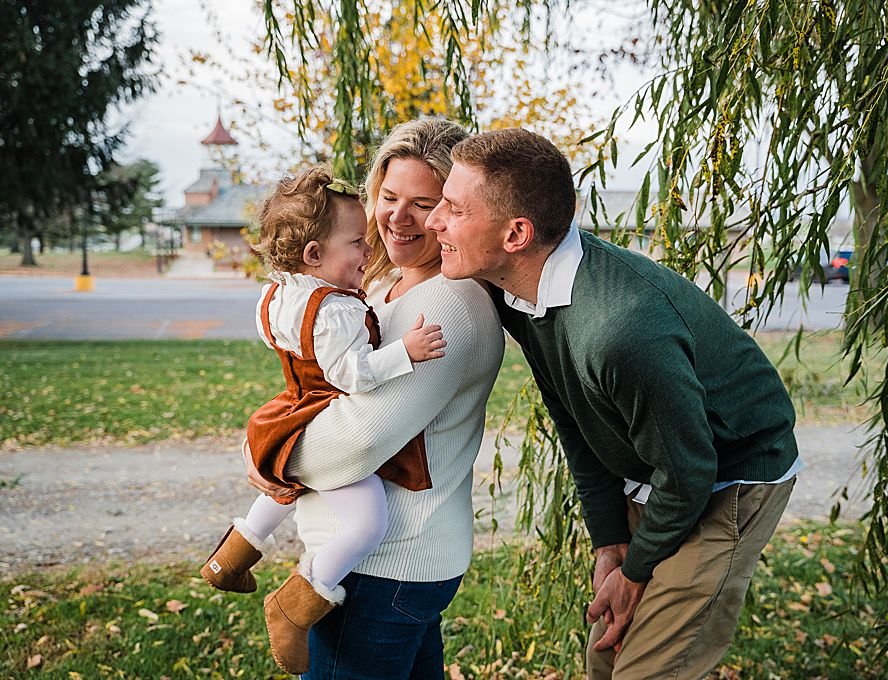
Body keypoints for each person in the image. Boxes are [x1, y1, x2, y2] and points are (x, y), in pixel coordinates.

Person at [424, 128, 803, 679]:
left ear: (516, 234)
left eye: (453, 209)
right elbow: (576, 420)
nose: (435, 221)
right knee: (606, 656)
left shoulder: (617, 330)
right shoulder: (519, 292)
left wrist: (639, 569)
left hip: (732, 477)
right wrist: (611, 542)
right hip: (658, 467)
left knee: (647, 669)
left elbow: (690, 470)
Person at [245, 118, 504, 679]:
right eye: (388, 196)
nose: (397, 217)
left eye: (424, 202)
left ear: (454, 210)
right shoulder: (382, 287)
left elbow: (356, 443)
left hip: (385, 570)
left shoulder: (449, 306)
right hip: (384, 564)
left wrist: (264, 452)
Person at [201, 166, 447, 674]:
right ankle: (298, 602)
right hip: (324, 405)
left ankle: (230, 558)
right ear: (315, 255)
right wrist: (407, 350)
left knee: (281, 480)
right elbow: (354, 373)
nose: (367, 250)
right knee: (367, 520)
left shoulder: (276, 295)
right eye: (357, 242)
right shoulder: (336, 310)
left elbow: (288, 347)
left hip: (290, 405)